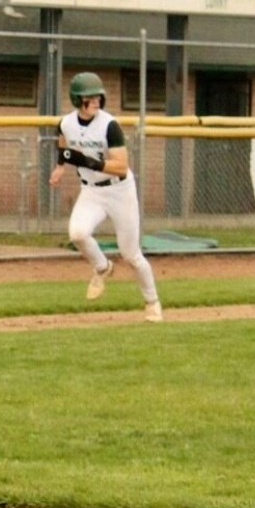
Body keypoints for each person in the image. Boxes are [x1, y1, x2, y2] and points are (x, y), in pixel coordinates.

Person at [49, 72, 163, 323]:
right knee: (78, 233)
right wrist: (60, 166)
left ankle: (152, 302)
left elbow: (121, 167)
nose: (97, 100)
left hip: (120, 191)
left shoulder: (109, 125)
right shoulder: (66, 122)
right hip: (91, 190)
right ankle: (102, 268)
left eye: (98, 96)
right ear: (78, 100)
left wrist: (87, 160)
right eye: (90, 97)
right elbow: (63, 143)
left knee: (131, 254)